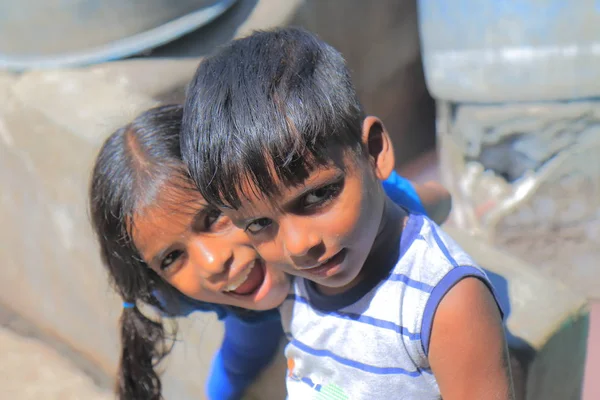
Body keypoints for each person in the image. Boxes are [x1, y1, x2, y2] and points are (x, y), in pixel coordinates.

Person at [181, 27, 514, 399]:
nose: (298, 244)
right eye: (259, 223)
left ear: (374, 152)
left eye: (318, 195)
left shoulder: (443, 303)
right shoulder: (296, 278)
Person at [89, 104, 451, 399]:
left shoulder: (375, 219)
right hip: (254, 312)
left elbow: (436, 202)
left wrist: (409, 201)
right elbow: (239, 359)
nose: (213, 263)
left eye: (214, 216)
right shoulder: (185, 294)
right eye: (171, 257)